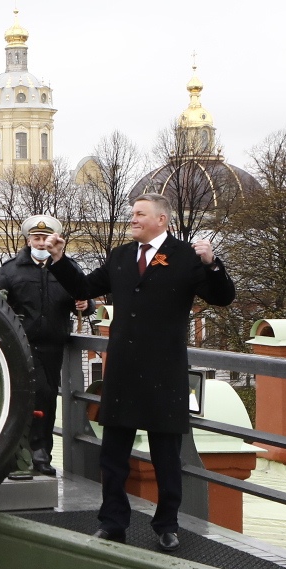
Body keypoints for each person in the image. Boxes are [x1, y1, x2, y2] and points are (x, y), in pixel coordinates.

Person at [43, 192, 235, 550]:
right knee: (113, 456)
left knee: (166, 458)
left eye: (139, 214)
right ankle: (112, 522)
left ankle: (167, 525)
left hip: (164, 373)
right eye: (132, 214)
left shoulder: (186, 258)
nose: (132, 219)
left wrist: (213, 264)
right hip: (124, 372)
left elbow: (223, 298)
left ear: (161, 220)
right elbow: (85, 287)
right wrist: (59, 259)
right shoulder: (121, 256)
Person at [0, 213, 88, 478]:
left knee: (47, 397)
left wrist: (85, 305)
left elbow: (83, 296)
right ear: (28, 240)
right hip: (21, 344)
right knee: (26, 395)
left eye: (45, 238)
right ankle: (21, 453)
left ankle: (41, 453)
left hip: (53, 345)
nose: (41, 242)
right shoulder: (12, 270)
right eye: (36, 237)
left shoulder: (68, 268)